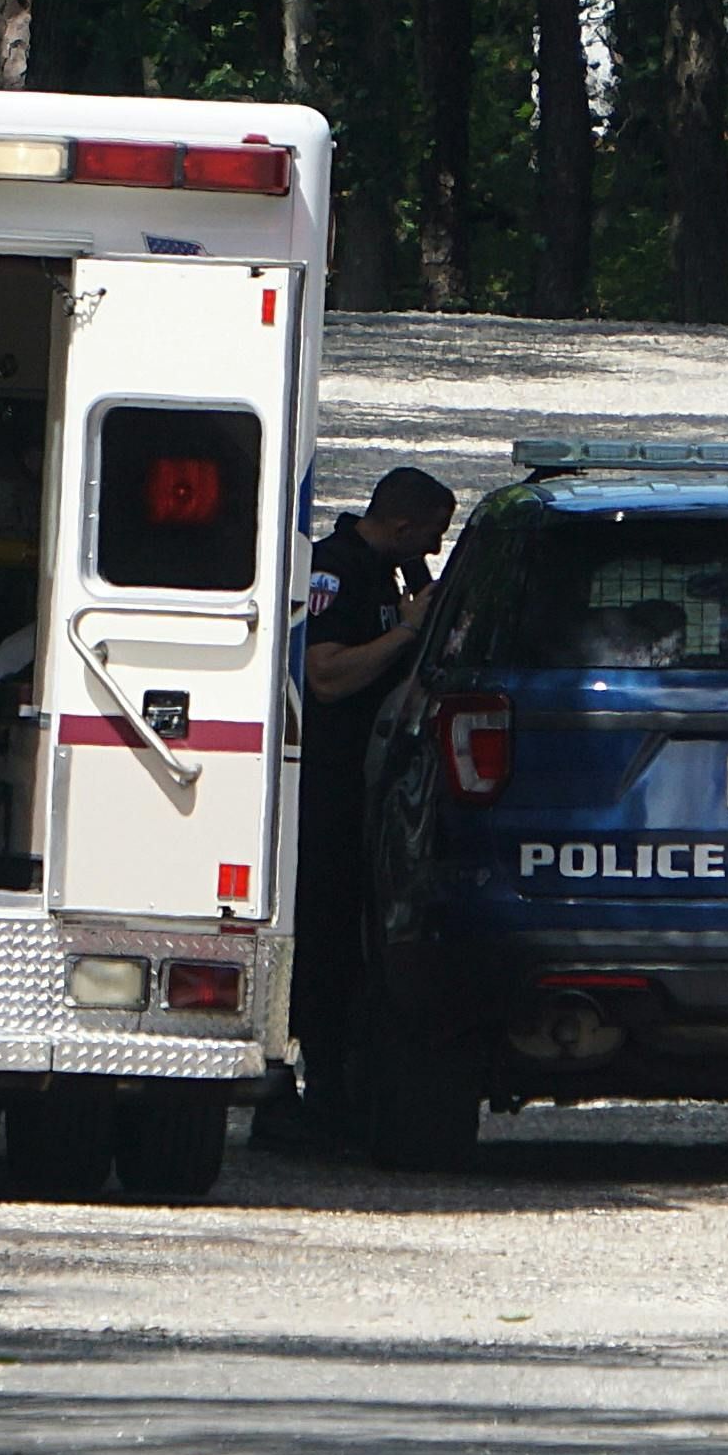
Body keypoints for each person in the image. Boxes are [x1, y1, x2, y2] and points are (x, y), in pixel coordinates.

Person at [285, 466, 457, 1141]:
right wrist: (408, 631)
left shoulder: (388, 571)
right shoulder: (335, 571)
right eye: (432, 535)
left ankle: (345, 1086)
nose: (434, 549)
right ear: (404, 525)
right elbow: (324, 675)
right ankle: (310, 1088)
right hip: (326, 786)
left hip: (369, 787)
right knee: (325, 939)